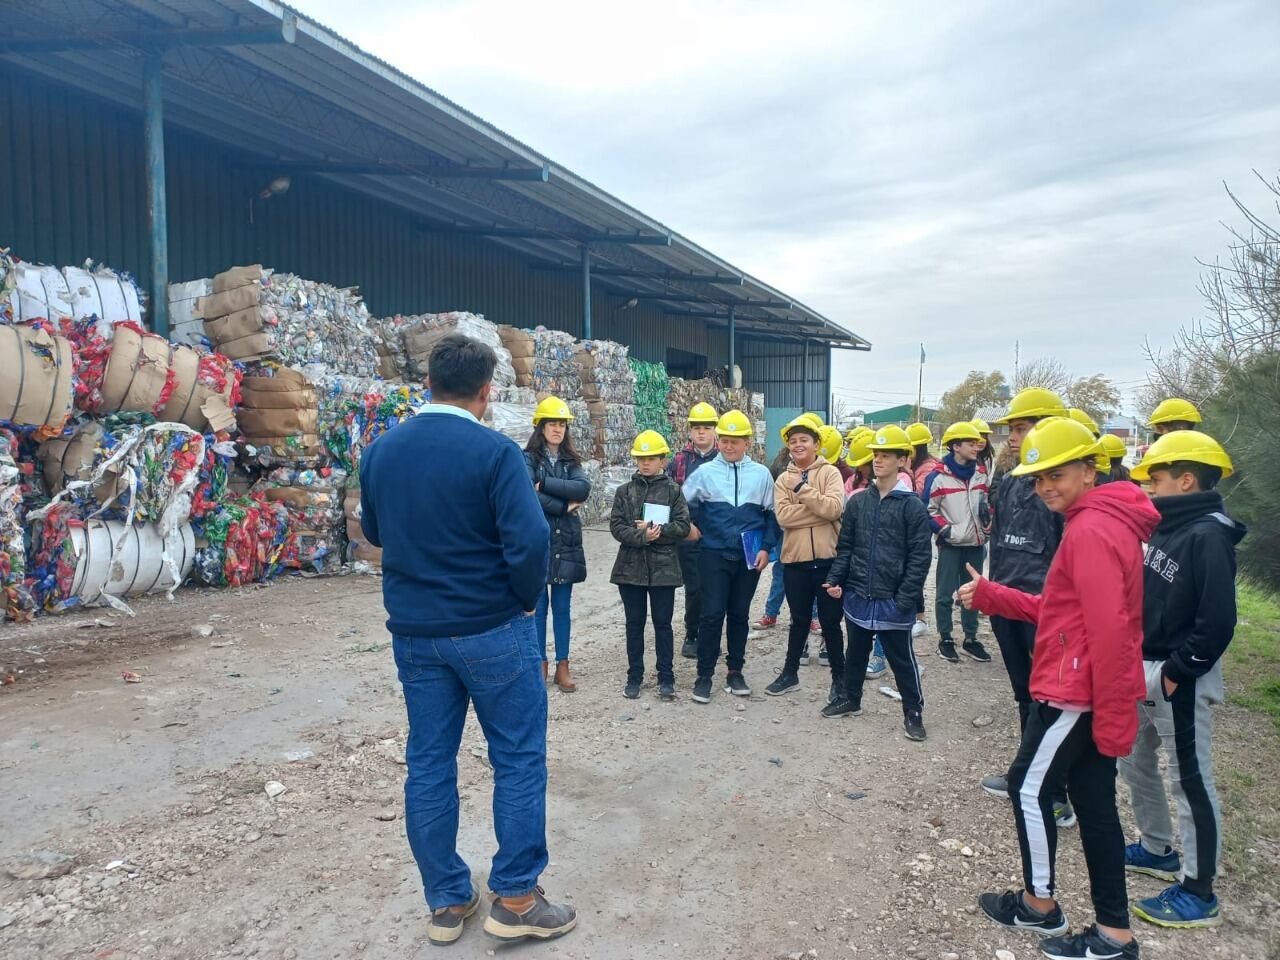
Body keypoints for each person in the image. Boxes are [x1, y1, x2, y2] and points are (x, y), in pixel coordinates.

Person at [359, 333, 575, 946]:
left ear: (428, 383)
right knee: (517, 758)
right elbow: (530, 543)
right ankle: (515, 898)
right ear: (487, 392)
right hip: (493, 630)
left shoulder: (381, 453)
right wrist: (524, 599)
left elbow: (375, 531)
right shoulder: (495, 453)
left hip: (415, 635)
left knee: (429, 762)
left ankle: (448, 903)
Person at [959, 417, 1158, 960]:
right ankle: (1114, 933)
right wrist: (997, 597)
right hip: (1086, 687)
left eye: (1058, 473)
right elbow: (1065, 611)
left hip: (1076, 693)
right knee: (1095, 806)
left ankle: (1038, 905)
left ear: (1089, 469)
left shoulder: (1091, 530)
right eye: (1038, 476)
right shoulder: (1095, 521)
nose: (1046, 485)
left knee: (1027, 787)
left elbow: (1112, 631)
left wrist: (1117, 714)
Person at [1120, 431, 1244, 929]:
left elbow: (1217, 620)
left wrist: (1179, 671)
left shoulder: (1208, 533)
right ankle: (1156, 848)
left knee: (1190, 780)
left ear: (1186, 479)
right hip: (1145, 667)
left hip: (1178, 674)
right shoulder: (1169, 525)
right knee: (1135, 762)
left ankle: (1199, 889)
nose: (1150, 486)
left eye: (1158, 477)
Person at [981, 388, 1071, 822]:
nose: (1013, 437)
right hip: (1007, 603)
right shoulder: (1015, 479)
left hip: (1045, 612)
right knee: (1026, 695)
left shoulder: (1060, 487)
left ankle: (1056, 794)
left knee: (1051, 700)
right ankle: (1031, 775)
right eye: (1012, 429)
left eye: (1021, 427)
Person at [822, 425, 933, 740]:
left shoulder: (912, 506)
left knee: (901, 659)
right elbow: (846, 547)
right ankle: (851, 698)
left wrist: (905, 599)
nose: (879, 461)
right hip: (859, 594)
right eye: (876, 455)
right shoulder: (858, 502)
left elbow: (920, 558)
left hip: (892, 598)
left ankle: (913, 712)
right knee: (855, 651)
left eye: (886, 455)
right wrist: (836, 578)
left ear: (902, 460)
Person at [681, 409, 778, 703]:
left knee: (739, 615)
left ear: (747, 442)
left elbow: (772, 516)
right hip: (713, 554)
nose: (729, 445)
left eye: (736, 440)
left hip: (748, 558)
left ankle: (735, 671)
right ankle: (704, 675)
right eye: (725, 440)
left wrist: (766, 549)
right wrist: (689, 527)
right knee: (711, 615)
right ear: (719, 440)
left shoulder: (761, 474)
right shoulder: (706, 473)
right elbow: (680, 505)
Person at [766, 416, 847, 703]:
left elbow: (835, 509)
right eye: (793, 440)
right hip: (796, 561)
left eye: (804, 440)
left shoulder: (830, 474)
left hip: (828, 561)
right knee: (798, 619)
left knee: (830, 622)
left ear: (816, 444)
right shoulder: (782, 478)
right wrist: (819, 508)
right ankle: (790, 673)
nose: (798, 445)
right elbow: (784, 517)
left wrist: (801, 490)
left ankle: (840, 679)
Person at [610, 430, 692, 702]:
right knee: (634, 624)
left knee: (663, 625)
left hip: (663, 570)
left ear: (662, 460)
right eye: (641, 458)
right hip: (630, 570)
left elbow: (682, 526)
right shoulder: (624, 492)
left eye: (651, 458)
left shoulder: (673, 491)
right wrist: (641, 536)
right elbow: (617, 526)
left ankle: (666, 677)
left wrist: (659, 530)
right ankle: (635, 676)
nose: (645, 463)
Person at [524, 396, 592, 692]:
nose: (557, 429)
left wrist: (546, 486)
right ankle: (540, 664)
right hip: (538, 539)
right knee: (539, 607)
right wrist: (564, 507)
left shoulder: (571, 461)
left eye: (562, 424)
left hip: (566, 541)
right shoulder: (526, 459)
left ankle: (562, 665)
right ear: (541, 427)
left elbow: (583, 488)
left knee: (562, 607)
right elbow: (526, 494)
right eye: (552, 423)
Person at [922, 421, 992, 664]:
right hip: (951, 545)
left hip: (976, 544)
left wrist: (988, 524)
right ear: (955, 446)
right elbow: (928, 511)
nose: (977, 446)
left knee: (974, 593)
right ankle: (946, 638)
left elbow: (986, 504)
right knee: (944, 594)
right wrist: (947, 532)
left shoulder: (981, 473)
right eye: (971, 443)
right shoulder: (938, 478)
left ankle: (970, 639)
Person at [669, 402, 721, 659]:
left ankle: (711, 635)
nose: (701, 432)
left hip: (719, 534)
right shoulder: (679, 460)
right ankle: (692, 634)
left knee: (716, 587)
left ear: (714, 430)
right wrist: (684, 525)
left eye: (706, 427)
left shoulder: (726, 458)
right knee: (695, 587)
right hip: (688, 534)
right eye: (696, 428)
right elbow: (667, 495)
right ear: (690, 431)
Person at [753, 444, 796, 632]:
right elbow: (770, 491)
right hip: (783, 525)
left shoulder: (823, 468)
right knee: (781, 569)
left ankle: (811, 617)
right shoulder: (780, 461)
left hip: (809, 530)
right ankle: (771, 613)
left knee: (811, 573)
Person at [905, 421, 936, 640]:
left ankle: (921, 618)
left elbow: (918, 498)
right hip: (912, 528)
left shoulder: (927, 470)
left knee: (914, 572)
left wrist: (907, 473)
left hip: (920, 528)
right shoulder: (918, 468)